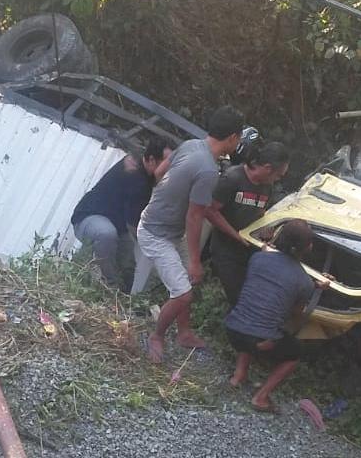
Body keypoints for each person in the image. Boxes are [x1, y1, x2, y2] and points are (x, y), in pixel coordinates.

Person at [138, 105, 244, 363]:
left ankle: (184, 333)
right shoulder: (208, 170)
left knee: (187, 283)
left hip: (163, 225)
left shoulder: (191, 145)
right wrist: (195, 261)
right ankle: (157, 336)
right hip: (155, 233)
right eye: (239, 137)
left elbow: (159, 172)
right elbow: (195, 216)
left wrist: (168, 198)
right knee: (183, 292)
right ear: (232, 138)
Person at [224, 219, 330, 412]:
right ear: (308, 248)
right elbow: (295, 316)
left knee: (251, 316)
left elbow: (274, 279)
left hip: (232, 328)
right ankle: (261, 397)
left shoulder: (257, 258)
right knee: (294, 353)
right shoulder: (303, 281)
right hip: (260, 341)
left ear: (278, 237)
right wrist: (316, 290)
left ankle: (237, 377)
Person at [71, 137, 172, 292]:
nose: (169, 168)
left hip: (117, 224)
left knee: (128, 265)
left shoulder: (146, 169)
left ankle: (123, 301)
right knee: (106, 234)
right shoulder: (137, 177)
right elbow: (135, 226)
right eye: (166, 163)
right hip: (88, 218)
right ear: (152, 160)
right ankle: (109, 288)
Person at [206, 141, 289, 306]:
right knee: (238, 298)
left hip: (249, 249)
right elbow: (210, 211)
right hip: (225, 248)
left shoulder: (267, 187)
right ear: (267, 168)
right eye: (278, 175)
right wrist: (236, 235)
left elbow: (261, 212)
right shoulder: (233, 178)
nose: (278, 180)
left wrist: (266, 230)